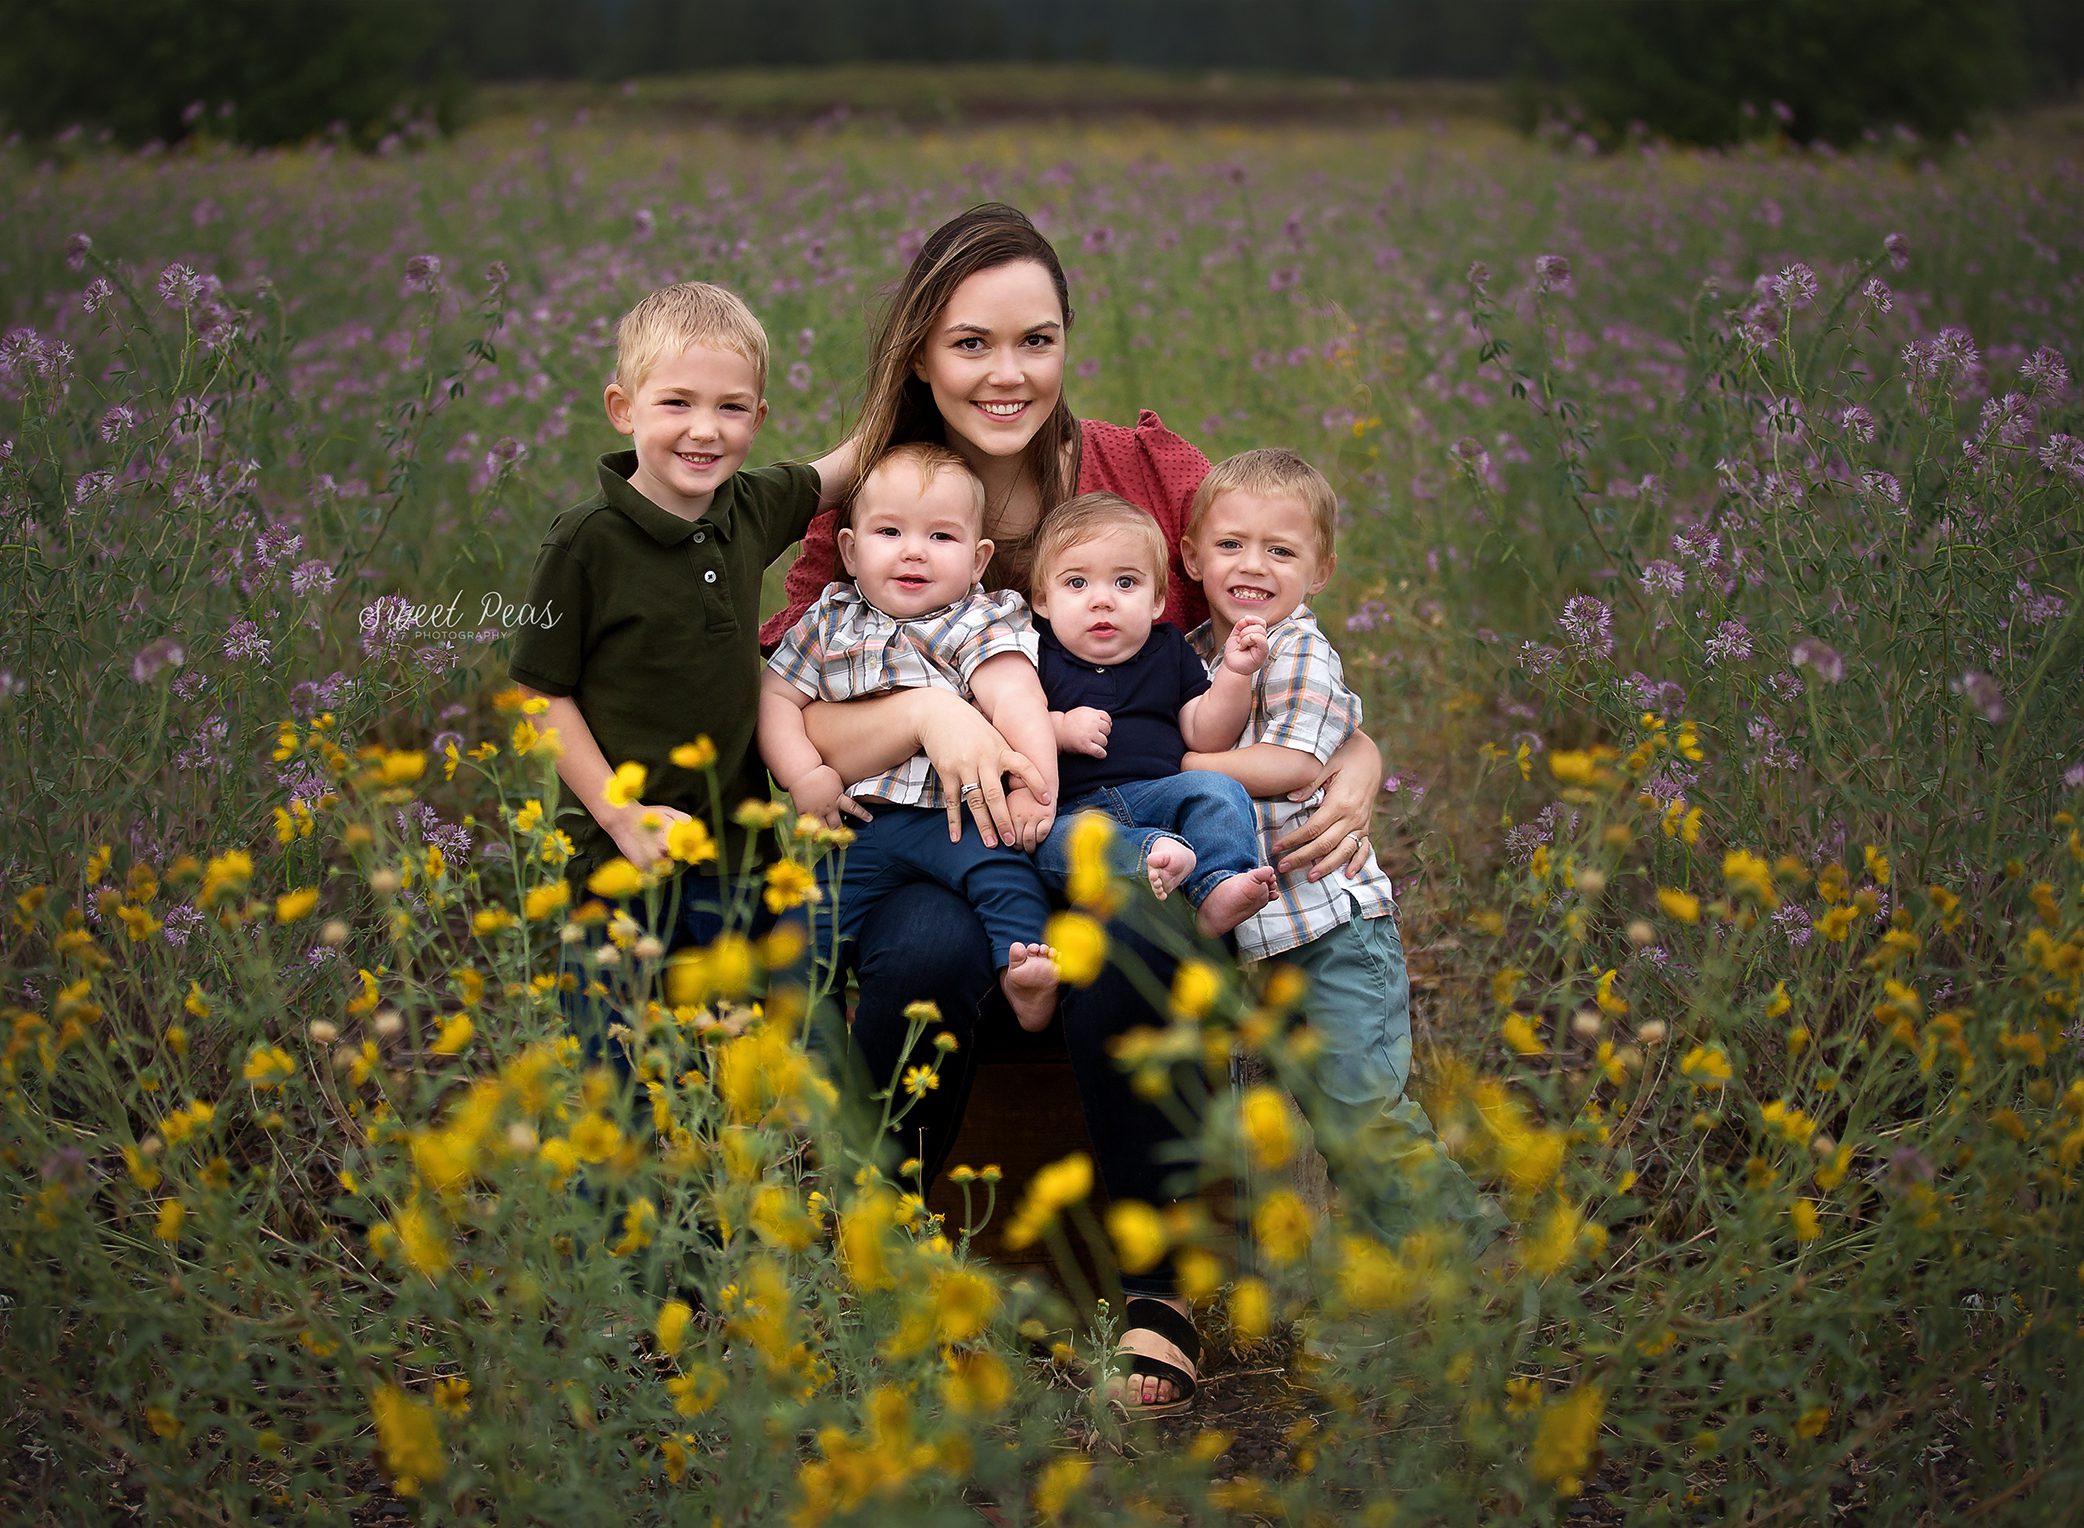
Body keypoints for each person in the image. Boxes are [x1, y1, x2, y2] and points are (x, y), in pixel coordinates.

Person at [762, 205, 1386, 1414]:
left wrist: (1355, 758)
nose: (1007, 374)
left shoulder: (1142, 474)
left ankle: (1156, 1282)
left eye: (1034, 341)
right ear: (919, 353)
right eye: (970, 344)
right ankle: (887, 1250)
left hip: (1126, 813)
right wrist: (930, 715)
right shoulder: (885, 503)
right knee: (927, 951)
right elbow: (799, 710)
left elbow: (1273, 628)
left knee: (1137, 926)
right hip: (942, 840)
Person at [1180, 448, 1492, 1246]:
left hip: (1333, 927)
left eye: (1281, 551)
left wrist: (1176, 768)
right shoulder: (1193, 656)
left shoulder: (1300, 652)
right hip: (1275, 937)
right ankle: (1422, 1260)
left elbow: (1294, 764)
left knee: (1363, 1108)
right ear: (1190, 556)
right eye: (1230, 544)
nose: (1253, 566)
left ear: (1320, 570)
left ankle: (1474, 1253)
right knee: (1331, 1113)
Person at [508, 280, 838, 1034]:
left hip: (738, 858)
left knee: (735, 1060)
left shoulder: (749, 506)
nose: (705, 430)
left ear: (759, 418)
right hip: (618, 861)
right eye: (677, 403)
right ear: (623, 408)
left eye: (731, 408)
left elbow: (843, 467)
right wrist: (619, 816)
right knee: (621, 1064)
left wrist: (933, 381)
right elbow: (540, 694)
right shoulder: (584, 542)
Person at [760, 442, 1062, 1032]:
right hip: (862, 828)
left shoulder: (979, 619)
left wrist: (1035, 787)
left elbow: (1017, 699)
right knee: (800, 934)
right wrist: (803, 774)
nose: (914, 551)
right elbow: (775, 698)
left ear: (978, 560)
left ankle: (1023, 979)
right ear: (850, 550)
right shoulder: (829, 621)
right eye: (889, 532)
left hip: (962, 818)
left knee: (1006, 884)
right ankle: (808, 1062)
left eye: (941, 536)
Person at [1027, 491, 1280, 982]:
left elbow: (1205, 734)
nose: (1102, 599)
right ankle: (1149, 856)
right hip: (1069, 812)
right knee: (1062, 846)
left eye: (1125, 582)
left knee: (1218, 789)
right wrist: (1057, 728)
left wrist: (1234, 673)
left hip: (1159, 794)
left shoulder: (1169, 650)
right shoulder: (1033, 653)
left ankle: (1216, 885)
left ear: (1158, 600)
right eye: (1077, 583)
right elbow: (1001, 726)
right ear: (1042, 601)